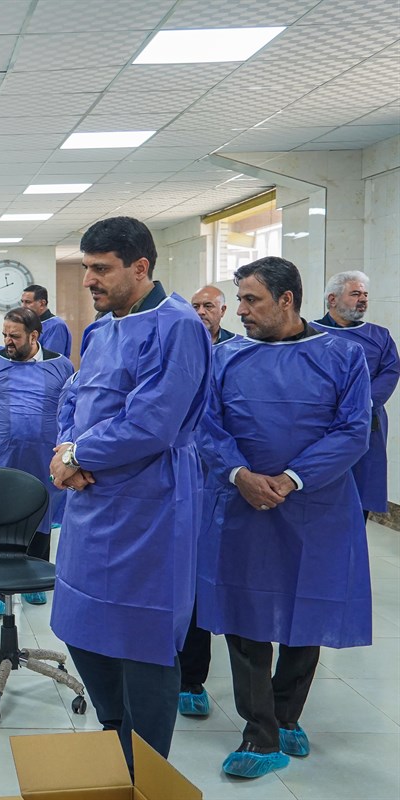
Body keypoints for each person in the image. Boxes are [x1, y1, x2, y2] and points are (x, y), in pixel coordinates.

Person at [197, 257, 372, 779]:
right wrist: (239, 475)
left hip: (316, 505)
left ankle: (286, 712)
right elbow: (205, 425)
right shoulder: (224, 357)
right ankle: (260, 730)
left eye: (251, 299)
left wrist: (293, 478)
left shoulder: (342, 355)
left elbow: (352, 430)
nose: (240, 310)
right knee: (243, 612)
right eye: (240, 299)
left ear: (286, 300)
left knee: (308, 606)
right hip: (241, 503)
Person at [49, 216, 211, 766]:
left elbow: (151, 424)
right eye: (87, 267)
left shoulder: (177, 326)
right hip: (90, 502)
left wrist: (78, 456)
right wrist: (65, 449)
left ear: (140, 267)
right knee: (79, 624)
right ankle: (113, 730)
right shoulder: (102, 328)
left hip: (149, 504)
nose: (88, 280)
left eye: (101, 269)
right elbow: (74, 397)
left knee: (142, 637)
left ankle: (145, 765)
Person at [0, 306, 73, 614]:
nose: (7, 341)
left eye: (15, 336)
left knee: (39, 513)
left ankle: (34, 580)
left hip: (42, 454)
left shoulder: (61, 366)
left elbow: (69, 410)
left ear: (34, 336)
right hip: (0, 452)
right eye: (5, 334)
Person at [177, 284, 244, 718]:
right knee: (192, 577)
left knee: (237, 580)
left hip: (235, 478)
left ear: (223, 311)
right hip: (189, 476)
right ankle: (190, 678)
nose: (201, 311)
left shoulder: (240, 352)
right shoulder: (180, 347)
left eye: (209, 306)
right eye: (196, 306)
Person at [312, 271, 398, 522]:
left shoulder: (379, 336)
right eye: (355, 294)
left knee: (362, 488)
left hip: (366, 421)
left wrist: (363, 402)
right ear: (332, 299)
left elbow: (390, 371)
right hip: (320, 422)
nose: (363, 299)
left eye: (365, 295)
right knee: (320, 484)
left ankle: (356, 539)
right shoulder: (310, 333)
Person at [21, 284, 72, 358]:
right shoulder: (29, 324)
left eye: (28, 302)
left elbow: (50, 359)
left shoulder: (56, 326)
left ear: (42, 304)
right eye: (22, 302)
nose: (23, 306)